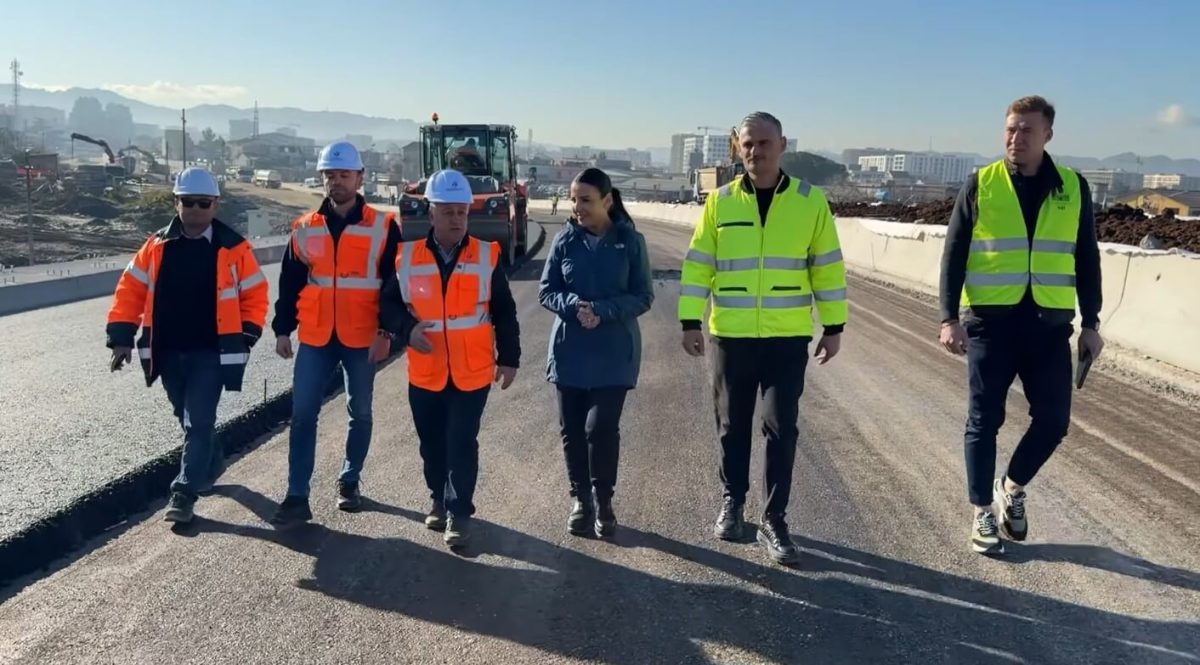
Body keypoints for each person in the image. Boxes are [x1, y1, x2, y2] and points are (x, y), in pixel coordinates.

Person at [678, 112, 848, 565]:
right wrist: (689, 321)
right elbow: (699, 265)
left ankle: (774, 520)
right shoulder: (720, 202)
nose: (756, 151)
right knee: (732, 426)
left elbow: (827, 267)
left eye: (764, 143)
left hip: (786, 338)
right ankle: (733, 502)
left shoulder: (811, 202)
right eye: (748, 144)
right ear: (737, 147)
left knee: (780, 427)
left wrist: (834, 327)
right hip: (731, 337)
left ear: (783, 144)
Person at [938, 95, 1103, 555]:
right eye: (1011, 129)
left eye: (1027, 130)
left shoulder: (1072, 186)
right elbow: (953, 254)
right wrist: (949, 317)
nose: (1016, 137)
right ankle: (981, 513)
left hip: (1049, 326)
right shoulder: (981, 184)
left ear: (1047, 135)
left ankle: (1010, 487)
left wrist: (1091, 321)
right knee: (984, 419)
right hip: (991, 323)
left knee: (1053, 421)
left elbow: (1086, 257)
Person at [106, 167, 269, 524]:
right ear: (176, 203)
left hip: (211, 352)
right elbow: (130, 290)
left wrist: (247, 334)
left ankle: (183, 493)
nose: (196, 209)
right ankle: (211, 460)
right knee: (186, 417)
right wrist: (121, 338)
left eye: (204, 203)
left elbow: (255, 293)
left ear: (215, 204)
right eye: (188, 202)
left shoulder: (234, 247)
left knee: (198, 421)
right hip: (167, 351)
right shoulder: (155, 247)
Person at [380, 168, 521, 548]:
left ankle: (459, 512)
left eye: (461, 212)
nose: (457, 219)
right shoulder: (406, 258)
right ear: (431, 213)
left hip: (472, 372)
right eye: (448, 212)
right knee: (431, 444)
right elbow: (387, 306)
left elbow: (504, 312)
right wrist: (406, 329)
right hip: (425, 373)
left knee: (461, 441)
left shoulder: (487, 257)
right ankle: (437, 499)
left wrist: (510, 358)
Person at [270, 141, 402, 527]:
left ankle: (349, 480)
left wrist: (386, 332)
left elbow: (393, 285)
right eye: (330, 175)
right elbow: (290, 282)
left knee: (358, 411)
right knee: (303, 414)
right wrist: (282, 330)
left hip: (362, 335)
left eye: (344, 175)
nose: (337, 181)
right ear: (322, 179)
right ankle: (297, 495)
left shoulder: (383, 226)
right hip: (315, 335)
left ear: (360, 178)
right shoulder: (304, 228)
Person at [538, 168, 653, 538]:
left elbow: (643, 296)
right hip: (570, 350)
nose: (577, 208)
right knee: (571, 429)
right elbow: (547, 290)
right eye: (573, 199)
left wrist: (601, 310)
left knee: (600, 428)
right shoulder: (564, 241)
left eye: (585, 200)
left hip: (613, 353)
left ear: (607, 201)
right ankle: (581, 500)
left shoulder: (630, 242)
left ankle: (604, 499)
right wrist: (573, 304)